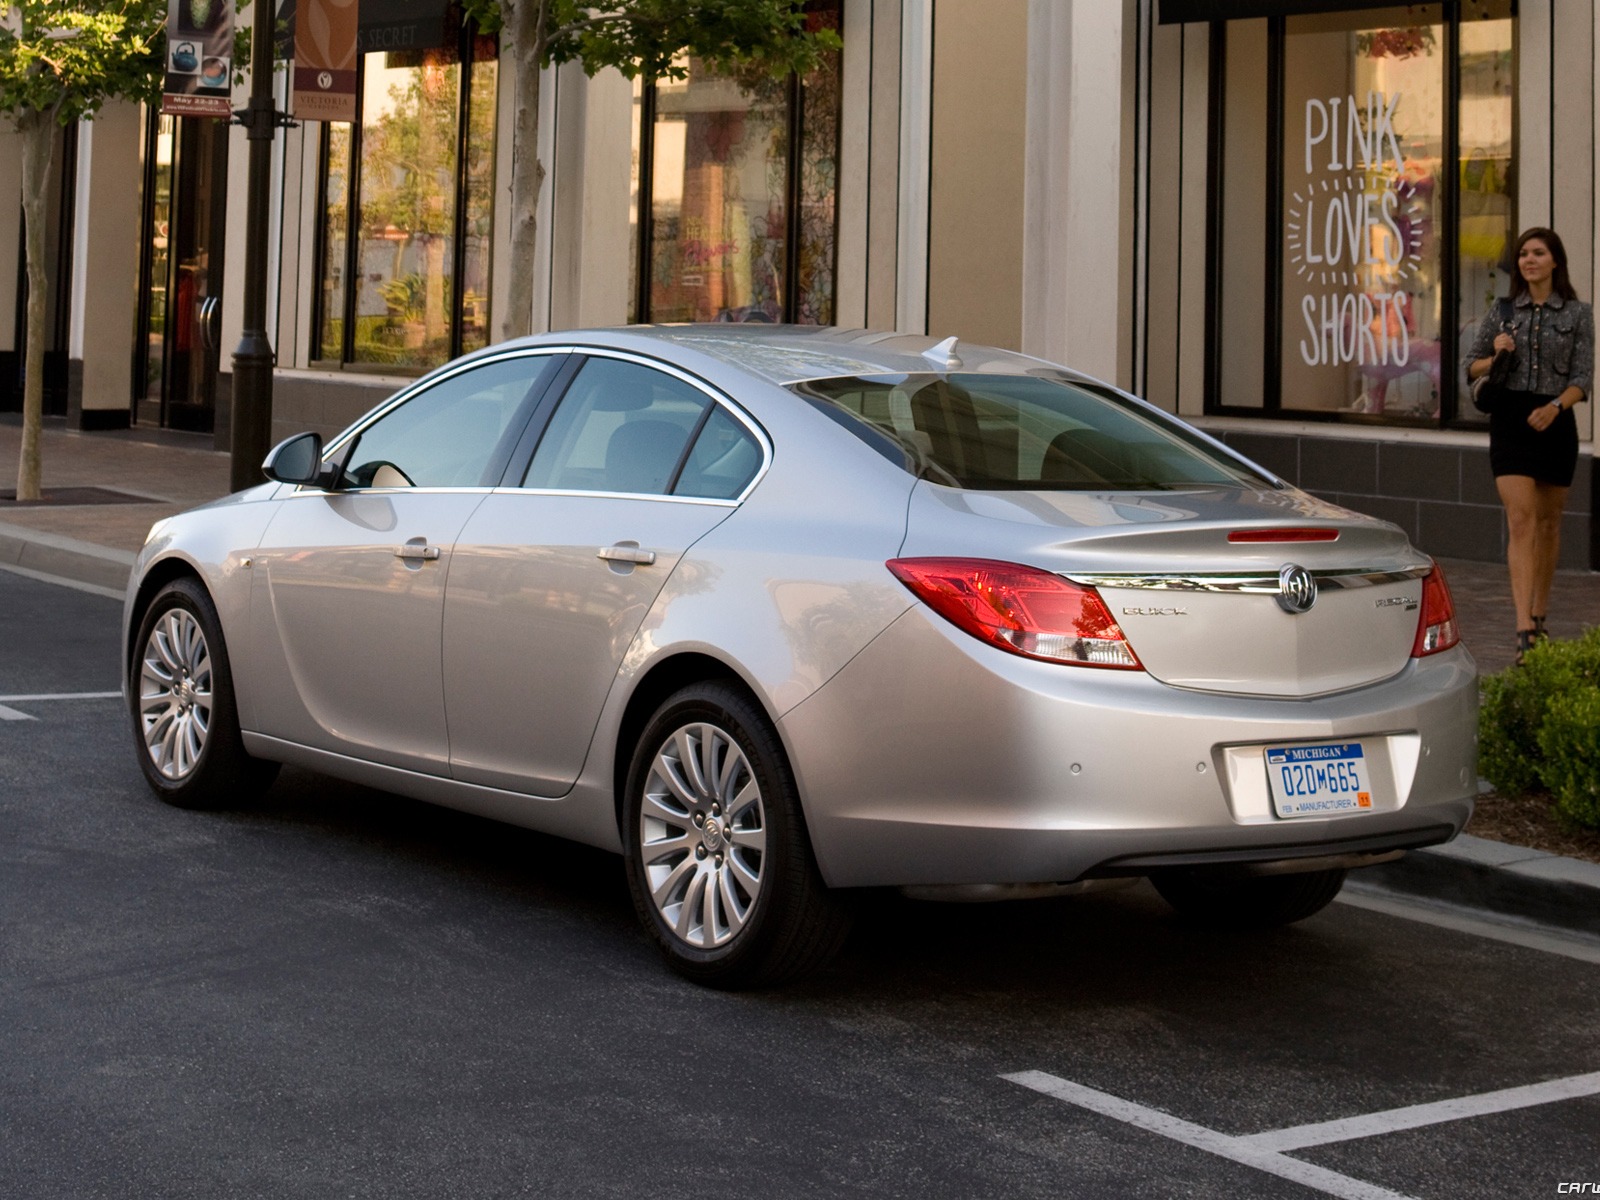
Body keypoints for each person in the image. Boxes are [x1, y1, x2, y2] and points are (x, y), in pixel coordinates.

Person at [1464, 227, 1594, 662]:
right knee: (1521, 519)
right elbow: (1470, 368)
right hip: (1511, 422)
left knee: (1549, 524)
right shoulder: (1503, 312)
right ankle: (1523, 628)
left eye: (1538, 253)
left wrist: (1556, 407)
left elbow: (1582, 379)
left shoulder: (1578, 314)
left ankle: (1540, 613)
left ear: (1555, 261)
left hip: (1556, 422)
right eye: (1523, 254)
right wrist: (1496, 352)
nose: (1529, 260)